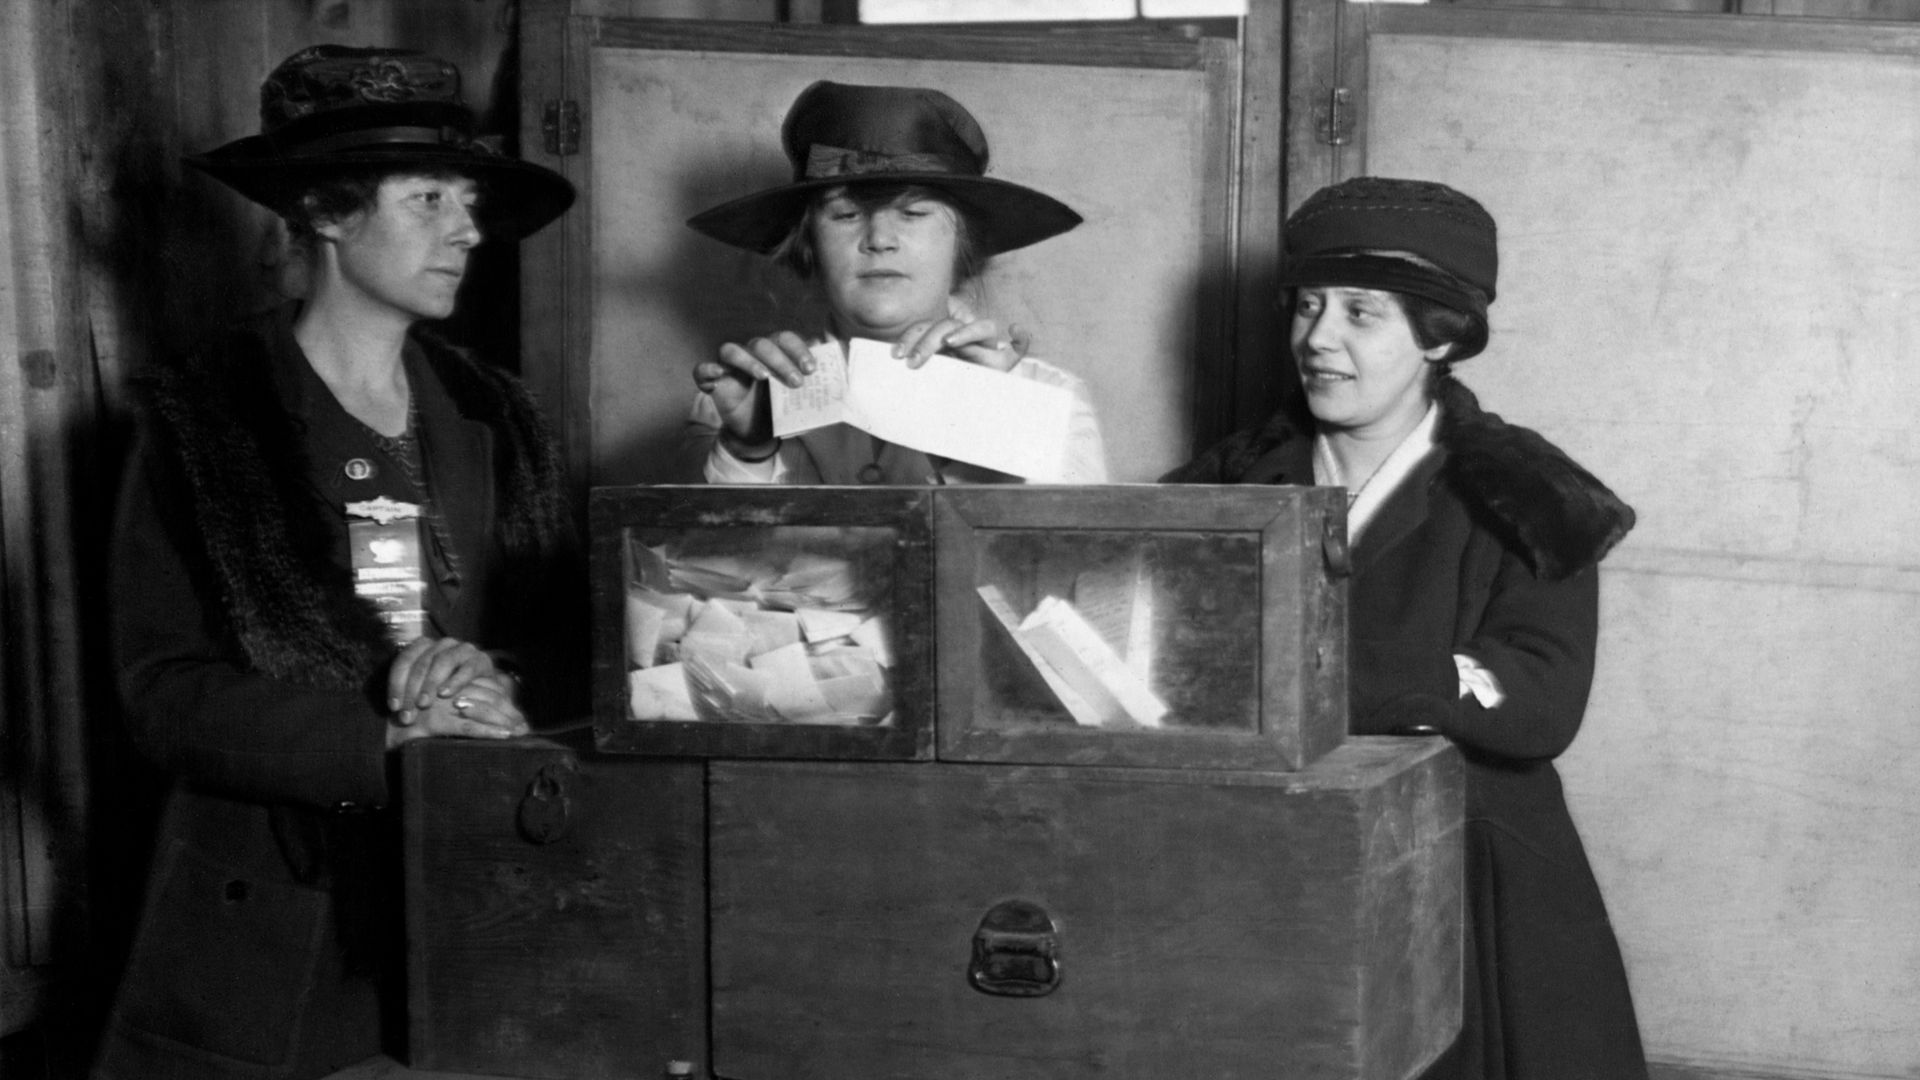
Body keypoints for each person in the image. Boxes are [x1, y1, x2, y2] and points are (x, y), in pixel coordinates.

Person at [94, 45, 581, 1080]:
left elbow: (567, 639)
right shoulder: (205, 422)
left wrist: (489, 683)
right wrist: (387, 736)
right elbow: (163, 694)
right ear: (325, 209)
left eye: (468, 199)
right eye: (429, 198)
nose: (467, 228)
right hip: (279, 928)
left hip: (488, 896)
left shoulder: (499, 413)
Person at [1164, 176, 1648, 1079]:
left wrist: (1359, 683)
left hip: (1460, 868)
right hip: (1259, 852)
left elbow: (1541, 698)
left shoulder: (1531, 493)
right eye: (1308, 306)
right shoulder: (1229, 482)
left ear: (1442, 333)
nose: (1319, 338)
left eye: (1361, 313)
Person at [681, 80, 1107, 485]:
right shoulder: (736, 402)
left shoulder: (1048, 398)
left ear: (964, 245)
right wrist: (747, 449)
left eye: (914, 213)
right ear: (807, 244)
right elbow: (695, 558)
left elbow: (1068, 556)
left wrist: (988, 417)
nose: (879, 239)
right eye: (846, 214)